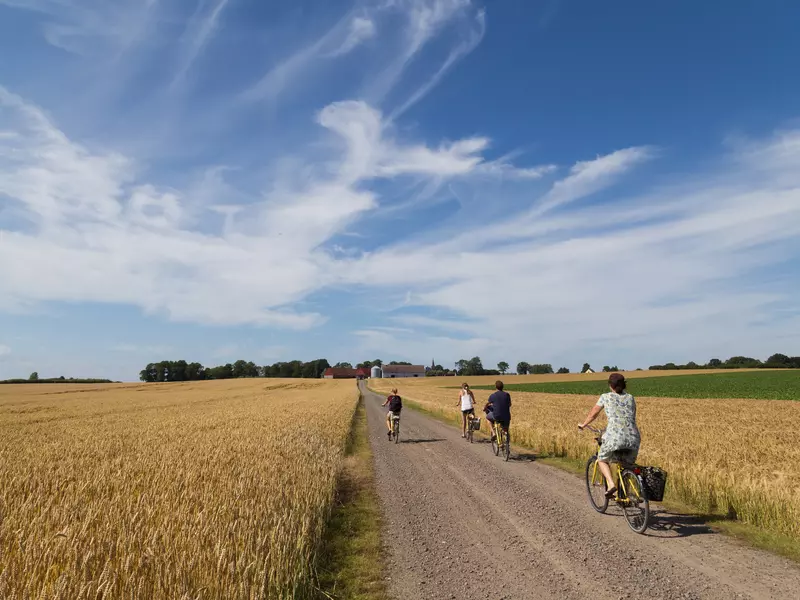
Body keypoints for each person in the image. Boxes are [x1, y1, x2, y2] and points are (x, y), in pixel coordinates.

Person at [578, 373, 641, 499]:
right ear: (624, 385)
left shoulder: (605, 397)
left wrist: (584, 424)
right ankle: (627, 496)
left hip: (614, 437)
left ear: (610, 385)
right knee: (626, 466)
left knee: (601, 459)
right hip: (634, 437)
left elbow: (593, 413)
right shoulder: (630, 397)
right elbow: (628, 417)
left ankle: (611, 484)